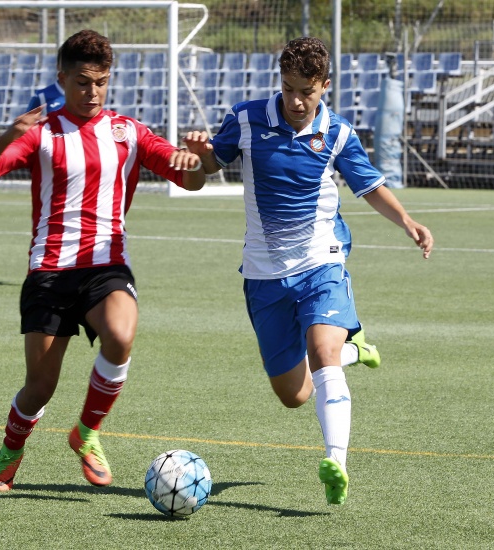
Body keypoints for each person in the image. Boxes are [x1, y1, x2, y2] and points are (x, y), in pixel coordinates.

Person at [184, 36, 433, 506]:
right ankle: (354, 351)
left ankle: (335, 461)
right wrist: (198, 156)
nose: (297, 100)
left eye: (308, 91)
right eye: (289, 88)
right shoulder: (247, 118)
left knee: (321, 351)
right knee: (293, 395)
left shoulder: (337, 133)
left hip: (322, 260)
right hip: (263, 274)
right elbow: (202, 174)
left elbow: (369, 186)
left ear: (325, 86)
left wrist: (407, 221)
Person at [0, 29, 206, 492]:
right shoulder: (41, 134)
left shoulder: (128, 131)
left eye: (100, 82)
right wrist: (5, 136)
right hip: (50, 271)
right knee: (39, 388)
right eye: (81, 81)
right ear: (62, 78)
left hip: (106, 265)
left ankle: (87, 432)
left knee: (120, 335)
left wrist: (194, 162)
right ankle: (12, 449)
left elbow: (189, 178)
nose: (91, 91)